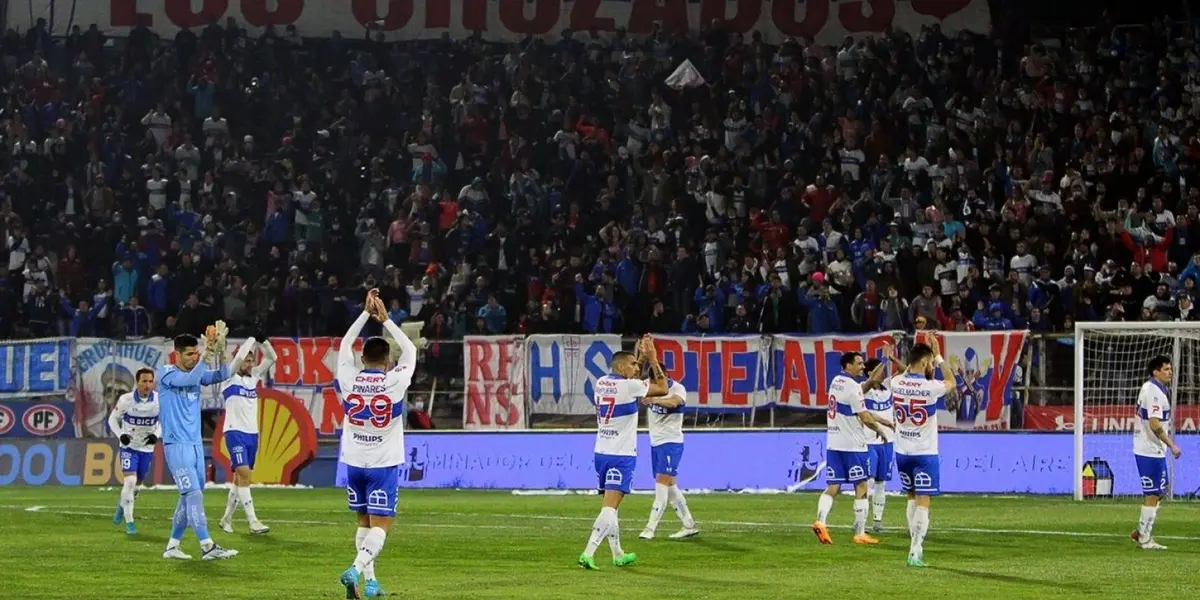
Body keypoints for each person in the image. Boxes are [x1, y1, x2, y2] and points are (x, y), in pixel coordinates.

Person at [338, 289, 417, 599]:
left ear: (362, 358)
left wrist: (364, 314)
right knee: (382, 525)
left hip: (354, 462)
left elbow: (344, 343)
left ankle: (370, 584)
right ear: (387, 360)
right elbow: (410, 350)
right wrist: (386, 320)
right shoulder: (395, 380)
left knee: (363, 521)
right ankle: (355, 571)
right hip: (383, 464)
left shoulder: (348, 377)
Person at [160, 328, 255, 560]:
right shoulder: (167, 375)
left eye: (196, 353)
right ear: (177, 355)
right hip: (176, 446)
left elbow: (225, 373)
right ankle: (207, 546)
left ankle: (172, 546)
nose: (194, 357)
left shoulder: (195, 372)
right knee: (193, 494)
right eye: (190, 354)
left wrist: (225, 349)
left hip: (194, 445)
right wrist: (207, 352)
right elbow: (190, 379)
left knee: (189, 495)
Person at [578, 336, 667, 570]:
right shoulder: (630, 386)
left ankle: (618, 554)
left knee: (612, 507)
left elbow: (630, 382)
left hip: (601, 452)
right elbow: (663, 387)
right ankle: (588, 552)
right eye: (633, 365)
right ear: (620, 368)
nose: (637, 368)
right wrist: (653, 359)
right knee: (609, 508)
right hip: (621, 455)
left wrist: (638, 357)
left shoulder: (602, 382)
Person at [891, 337, 958, 568]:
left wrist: (914, 360)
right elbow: (951, 380)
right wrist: (939, 356)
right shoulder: (931, 388)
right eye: (929, 362)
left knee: (911, 497)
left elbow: (906, 374)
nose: (931, 366)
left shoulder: (896, 382)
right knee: (924, 500)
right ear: (925, 362)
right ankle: (915, 550)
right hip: (925, 453)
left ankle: (914, 545)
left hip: (901, 452)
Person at [812, 351, 887, 545]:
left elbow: (863, 389)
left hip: (834, 443)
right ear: (848, 366)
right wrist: (880, 430)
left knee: (833, 486)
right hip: (854, 445)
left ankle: (821, 521)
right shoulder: (853, 387)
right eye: (859, 363)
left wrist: (882, 364)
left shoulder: (836, 381)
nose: (862, 366)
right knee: (862, 485)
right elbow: (865, 417)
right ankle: (860, 532)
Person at [218, 338, 278, 535]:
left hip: (252, 434)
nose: (249, 364)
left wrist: (263, 341)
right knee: (245, 475)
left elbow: (272, 357)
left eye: (251, 361)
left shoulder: (254, 378)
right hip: (234, 432)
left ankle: (226, 519)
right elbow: (236, 361)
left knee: (239, 479)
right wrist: (251, 338)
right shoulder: (228, 377)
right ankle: (253, 522)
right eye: (246, 360)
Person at [638, 370, 697, 540]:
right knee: (671, 487)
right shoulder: (649, 387)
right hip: (655, 443)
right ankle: (689, 525)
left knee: (661, 485)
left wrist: (654, 399)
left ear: (667, 376)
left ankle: (650, 528)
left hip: (671, 443)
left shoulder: (678, 389)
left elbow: (673, 403)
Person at [1131, 355, 1182, 550]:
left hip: (1153, 449)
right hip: (1149, 450)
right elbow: (1153, 422)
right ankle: (1143, 538)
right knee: (1154, 493)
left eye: (1170, 369)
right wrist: (1172, 445)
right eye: (1166, 369)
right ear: (1155, 372)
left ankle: (1141, 532)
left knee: (1159, 492)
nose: (1170, 372)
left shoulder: (1156, 388)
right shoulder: (1153, 391)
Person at [107, 368, 160, 535]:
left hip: (146, 448)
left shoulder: (159, 400)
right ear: (137, 382)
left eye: (150, 381)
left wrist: (156, 435)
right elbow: (112, 419)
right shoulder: (126, 400)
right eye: (144, 381)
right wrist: (121, 434)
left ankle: (121, 507)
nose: (147, 385)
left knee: (137, 486)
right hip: (129, 448)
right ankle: (130, 523)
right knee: (129, 481)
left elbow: (166, 421)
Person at [866, 344, 903, 532]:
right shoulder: (862, 390)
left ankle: (877, 521)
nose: (882, 373)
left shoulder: (888, 386)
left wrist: (892, 359)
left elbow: (906, 372)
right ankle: (860, 520)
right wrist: (882, 361)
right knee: (867, 481)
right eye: (879, 371)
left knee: (881, 482)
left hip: (888, 442)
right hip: (869, 442)